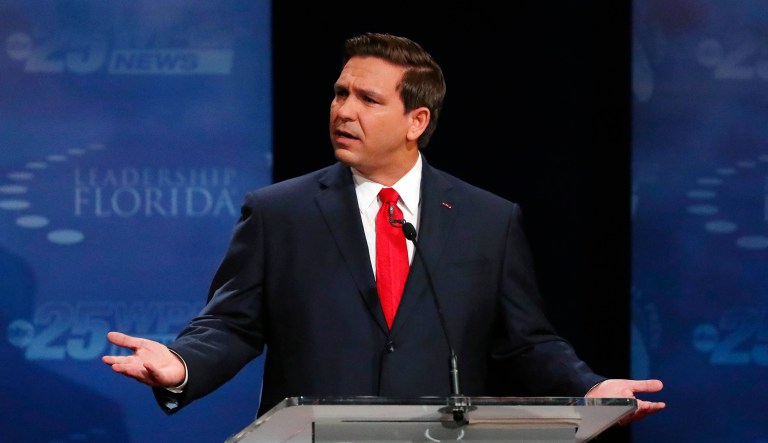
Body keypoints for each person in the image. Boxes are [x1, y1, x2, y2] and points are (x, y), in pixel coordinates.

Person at [102, 32, 665, 426]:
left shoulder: (488, 219)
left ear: (416, 121)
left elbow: (527, 339)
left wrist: (590, 389)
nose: (343, 110)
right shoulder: (280, 212)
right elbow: (231, 324)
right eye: (340, 93)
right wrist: (180, 366)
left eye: (368, 99)